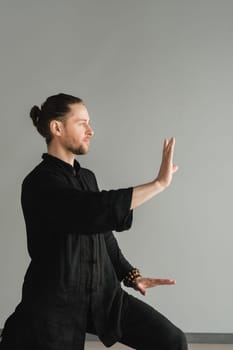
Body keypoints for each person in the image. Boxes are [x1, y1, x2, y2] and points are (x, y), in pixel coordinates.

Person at [0, 93, 188, 350]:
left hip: (103, 295)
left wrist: (130, 275)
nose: (91, 130)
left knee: (172, 341)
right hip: (57, 303)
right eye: (82, 123)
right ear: (57, 127)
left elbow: (103, 232)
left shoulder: (87, 177)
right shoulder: (39, 182)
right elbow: (91, 211)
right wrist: (157, 185)